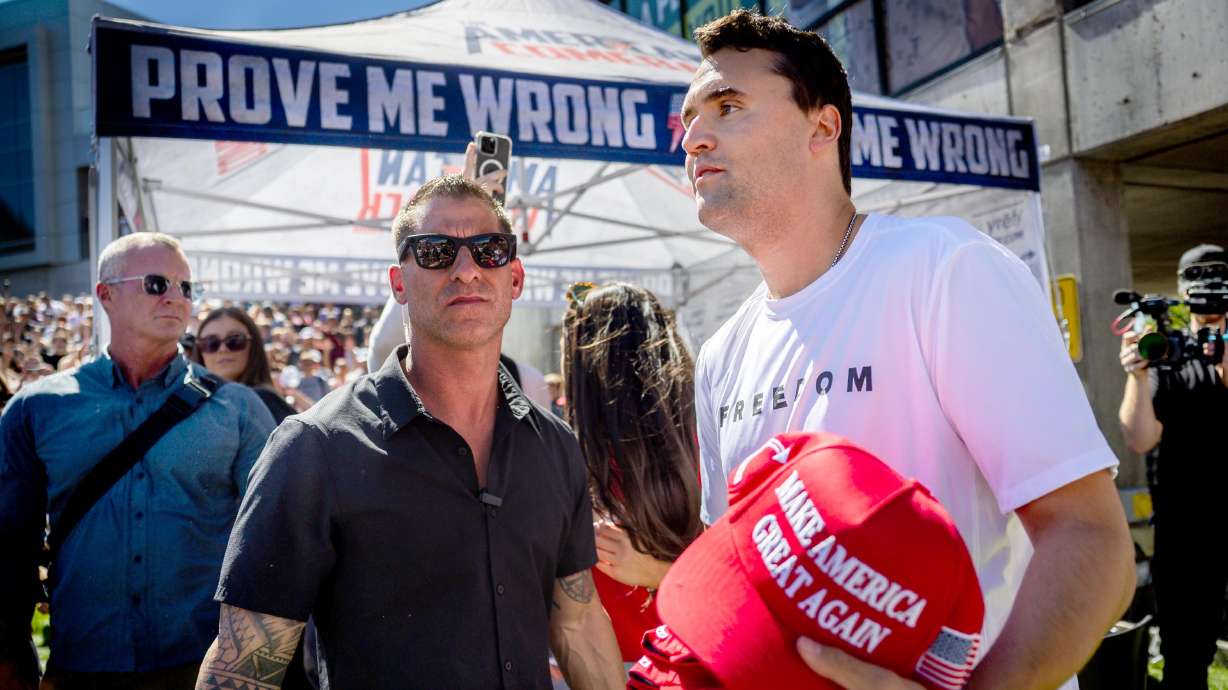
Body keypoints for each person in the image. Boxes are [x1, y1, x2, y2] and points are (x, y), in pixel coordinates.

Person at [680, 10, 1134, 690]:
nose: (694, 136)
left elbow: (1092, 542)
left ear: (822, 127)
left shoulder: (943, 270)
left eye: (728, 105)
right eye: (687, 119)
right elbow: (746, 583)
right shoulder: (720, 354)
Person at [195, 175, 623, 690]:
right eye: (437, 252)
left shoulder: (554, 445)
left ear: (515, 277)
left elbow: (576, 622)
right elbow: (242, 670)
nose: (466, 271)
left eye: (489, 250)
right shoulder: (316, 448)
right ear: (399, 282)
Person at [0, 233, 275, 690]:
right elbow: (9, 545)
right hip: (81, 666)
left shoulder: (240, 409)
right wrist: (10, 658)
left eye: (186, 288)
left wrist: (251, 668)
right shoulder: (37, 408)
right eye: (156, 283)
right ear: (106, 295)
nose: (176, 298)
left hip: (202, 669)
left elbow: (273, 544)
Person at [561, 282, 704, 661]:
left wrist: (657, 572)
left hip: (615, 666)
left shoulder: (569, 463)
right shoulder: (704, 446)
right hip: (694, 658)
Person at [1118, 243, 1228, 690]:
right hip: (1185, 529)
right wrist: (1136, 374)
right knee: (1186, 653)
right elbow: (1140, 437)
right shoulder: (1169, 358)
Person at [190, 305, 297, 425]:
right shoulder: (191, 403)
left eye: (235, 340)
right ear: (199, 350)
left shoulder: (265, 400)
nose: (223, 349)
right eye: (211, 342)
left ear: (253, 346)